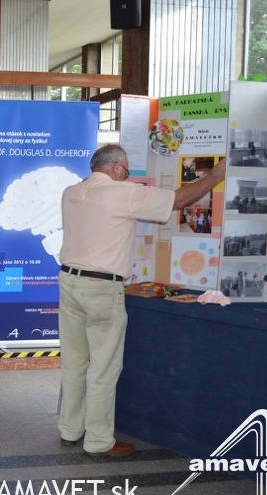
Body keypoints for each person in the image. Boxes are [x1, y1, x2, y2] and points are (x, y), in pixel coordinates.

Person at [57, 144, 225, 457]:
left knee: (74, 362)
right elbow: (180, 200)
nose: (127, 176)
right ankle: (98, 441)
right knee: (103, 368)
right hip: (101, 288)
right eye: (126, 171)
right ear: (117, 168)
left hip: (69, 281)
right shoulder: (122, 193)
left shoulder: (71, 192)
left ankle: (70, 429)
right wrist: (215, 176)